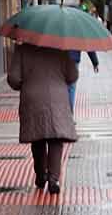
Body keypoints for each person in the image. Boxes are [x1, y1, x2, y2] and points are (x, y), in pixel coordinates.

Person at [8, 41, 79, 194]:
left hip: (32, 98)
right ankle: (54, 179)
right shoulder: (60, 47)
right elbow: (73, 75)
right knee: (55, 139)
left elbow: (13, 78)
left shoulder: (22, 49)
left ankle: (41, 175)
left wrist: (25, 83)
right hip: (57, 99)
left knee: (37, 137)